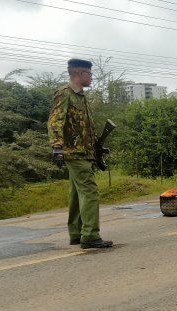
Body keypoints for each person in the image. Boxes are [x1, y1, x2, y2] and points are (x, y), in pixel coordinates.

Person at [48, 58, 113, 249]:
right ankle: (91, 235)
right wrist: (57, 147)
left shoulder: (81, 97)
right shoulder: (65, 94)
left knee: (77, 194)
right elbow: (55, 121)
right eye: (90, 74)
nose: (91, 77)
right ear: (80, 74)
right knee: (90, 192)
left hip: (84, 153)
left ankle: (76, 234)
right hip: (75, 153)